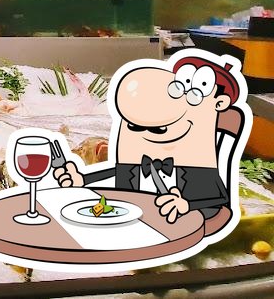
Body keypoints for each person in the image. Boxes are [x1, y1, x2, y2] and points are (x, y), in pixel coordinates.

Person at [54, 54, 244, 224]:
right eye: (134, 126)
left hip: (185, 229)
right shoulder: (136, 154)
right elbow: (116, 173)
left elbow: (216, 203)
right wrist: (83, 179)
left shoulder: (196, 160)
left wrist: (186, 205)